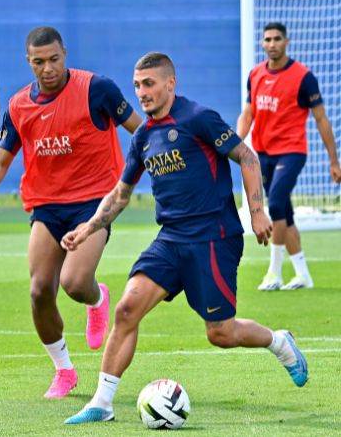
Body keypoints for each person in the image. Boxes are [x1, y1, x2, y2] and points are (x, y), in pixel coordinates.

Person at [63, 52, 308, 425]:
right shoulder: (143, 136)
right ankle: (103, 401)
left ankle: (279, 342)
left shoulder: (197, 118)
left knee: (220, 333)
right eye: (137, 86)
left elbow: (248, 157)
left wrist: (257, 212)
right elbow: (120, 194)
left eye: (149, 84)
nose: (141, 93)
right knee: (127, 309)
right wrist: (89, 227)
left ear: (170, 84)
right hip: (171, 238)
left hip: (213, 236)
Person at [0, 26, 142, 399]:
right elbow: (1, 162)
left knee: (74, 283)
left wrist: (164, 164)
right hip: (46, 206)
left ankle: (96, 299)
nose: (48, 68)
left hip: (94, 203)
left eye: (54, 59)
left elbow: (140, 132)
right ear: (29, 62)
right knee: (40, 290)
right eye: (39, 62)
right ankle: (64, 371)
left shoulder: (96, 89)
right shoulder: (18, 105)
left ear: (65, 54)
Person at [237, 22, 341, 291]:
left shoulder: (303, 77)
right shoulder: (256, 75)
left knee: (278, 202)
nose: (272, 44)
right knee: (287, 214)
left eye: (277, 39)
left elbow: (321, 119)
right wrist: (236, 144)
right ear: (263, 43)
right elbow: (248, 113)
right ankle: (303, 274)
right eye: (267, 39)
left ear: (287, 42)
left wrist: (333, 160)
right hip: (263, 152)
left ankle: (273, 272)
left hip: (293, 151)